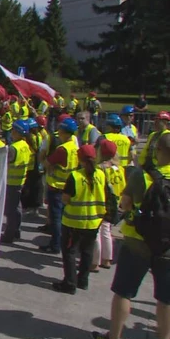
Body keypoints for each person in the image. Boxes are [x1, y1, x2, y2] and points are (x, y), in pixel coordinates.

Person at [91, 133, 170, 339]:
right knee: (166, 299)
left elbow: (125, 205)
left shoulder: (141, 176)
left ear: (158, 151)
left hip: (138, 242)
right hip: (168, 247)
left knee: (124, 292)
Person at [52, 144, 106, 294]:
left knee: (69, 252)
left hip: (74, 221)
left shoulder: (75, 176)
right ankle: (83, 280)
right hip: (94, 221)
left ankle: (69, 283)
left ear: (79, 158)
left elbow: (65, 199)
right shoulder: (100, 174)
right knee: (87, 251)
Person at [41, 118, 80, 253]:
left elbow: (47, 163)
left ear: (63, 131)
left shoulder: (62, 149)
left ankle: (55, 245)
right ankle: (63, 242)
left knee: (56, 218)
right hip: (68, 186)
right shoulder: (75, 146)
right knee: (64, 218)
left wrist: (47, 163)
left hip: (56, 186)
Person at [91, 139, 125, 273]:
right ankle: (106, 259)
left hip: (101, 203)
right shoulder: (119, 169)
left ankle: (94, 263)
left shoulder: (99, 168)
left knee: (96, 232)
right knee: (107, 231)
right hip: (115, 203)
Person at [1, 120, 31, 244]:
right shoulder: (25, 145)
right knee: (17, 208)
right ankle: (16, 230)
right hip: (20, 180)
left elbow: (5, 162)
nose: (12, 132)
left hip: (11, 182)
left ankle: (9, 235)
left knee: (10, 210)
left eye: (13, 130)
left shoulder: (14, 148)